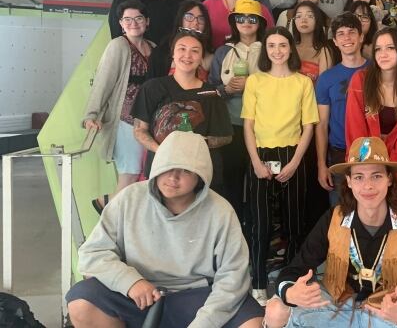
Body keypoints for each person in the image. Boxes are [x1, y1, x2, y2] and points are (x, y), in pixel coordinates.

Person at [65, 131, 264, 328]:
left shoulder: (220, 210)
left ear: (201, 176)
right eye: (167, 167)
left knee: (252, 324)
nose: (173, 177)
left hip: (197, 295)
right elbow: (92, 253)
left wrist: (206, 322)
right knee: (82, 302)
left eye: (185, 170)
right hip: (139, 294)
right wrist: (129, 282)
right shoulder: (129, 198)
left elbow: (233, 276)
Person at [262, 136, 397, 328]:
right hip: (334, 307)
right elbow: (293, 270)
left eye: (376, 175)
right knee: (275, 308)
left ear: (389, 179)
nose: (368, 186)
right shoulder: (333, 219)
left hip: (384, 313)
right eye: (359, 177)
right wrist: (290, 293)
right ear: (348, 181)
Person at [241, 26, 319, 305]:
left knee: (294, 223)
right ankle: (259, 282)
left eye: (282, 45)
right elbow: (248, 125)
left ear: (291, 49)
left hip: (292, 154)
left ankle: (291, 280)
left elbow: (308, 126)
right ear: (266, 50)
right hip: (260, 154)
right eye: (271, 45)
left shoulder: (302, 82)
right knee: (259, 223)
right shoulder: (255, 81)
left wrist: (296, 162)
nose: (277, 51)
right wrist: (255, 162)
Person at [131, 28, 233, 182]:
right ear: (173, 53)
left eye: (195, 51)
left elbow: (225, 136)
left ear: (201, 58)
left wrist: (196, 143)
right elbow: (139, 130)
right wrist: (163, 151)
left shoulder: (212, 94)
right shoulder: (152, 88)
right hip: (162, 169)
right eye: (182, 49)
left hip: (200, 172)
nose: (187, 55)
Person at [84, 0, 155, 213]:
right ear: (121, 24)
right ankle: (106, 209)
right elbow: (103, 82)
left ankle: (114, 214)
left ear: (147, 22)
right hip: (125, 121)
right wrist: (91, 114)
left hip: (146, 121)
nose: (133, 23)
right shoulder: (118, 46)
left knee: (142, 175)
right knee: (131, 173)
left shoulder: (153, 48)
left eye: (138, 18)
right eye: (127, 19)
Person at [346, 27, 397, 204]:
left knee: (396, 222)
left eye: (390, 48)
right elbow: (355, 128)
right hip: (365, 167)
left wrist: (389, 167)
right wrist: (370, 166)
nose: (383, 54)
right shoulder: (360, 79)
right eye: (378, 49)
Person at [208, 0, 266, 213]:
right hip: (230, 125)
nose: (246, 22)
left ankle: (256, 227)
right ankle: (234, 222)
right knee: (231, 177)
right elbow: (210, 90)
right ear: (234, 22)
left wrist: (252, 84)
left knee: (259, 178)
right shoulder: (223, 51)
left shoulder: (269, 49)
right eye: (240, 17)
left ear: (260, 22)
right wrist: (227, 90)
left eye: (252, 18)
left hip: (262, 126)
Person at [315, 13, 368, 205]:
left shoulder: (376, 72)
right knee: (341, 213)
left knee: (371, 210)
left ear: (361, 36)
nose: (347, 38)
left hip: (371, 150)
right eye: (341, 34)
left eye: (352, 32)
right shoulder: (326, 78)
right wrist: (322, 164)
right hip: (338, 152)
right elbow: (321, 125)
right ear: (335, 41)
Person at [147, 0, 213, 80]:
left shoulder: (211, 55)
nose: (195, 22)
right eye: (189, 17)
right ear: (180, 20)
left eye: (201, 19)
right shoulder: (161, 52)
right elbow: (151, 85)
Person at [291, 0, 335, 82]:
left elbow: (323, 87)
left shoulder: (323, 51)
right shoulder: (290, 48)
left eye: (310, 16)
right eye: (299, 16)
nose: (303, 20)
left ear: (317, 21)